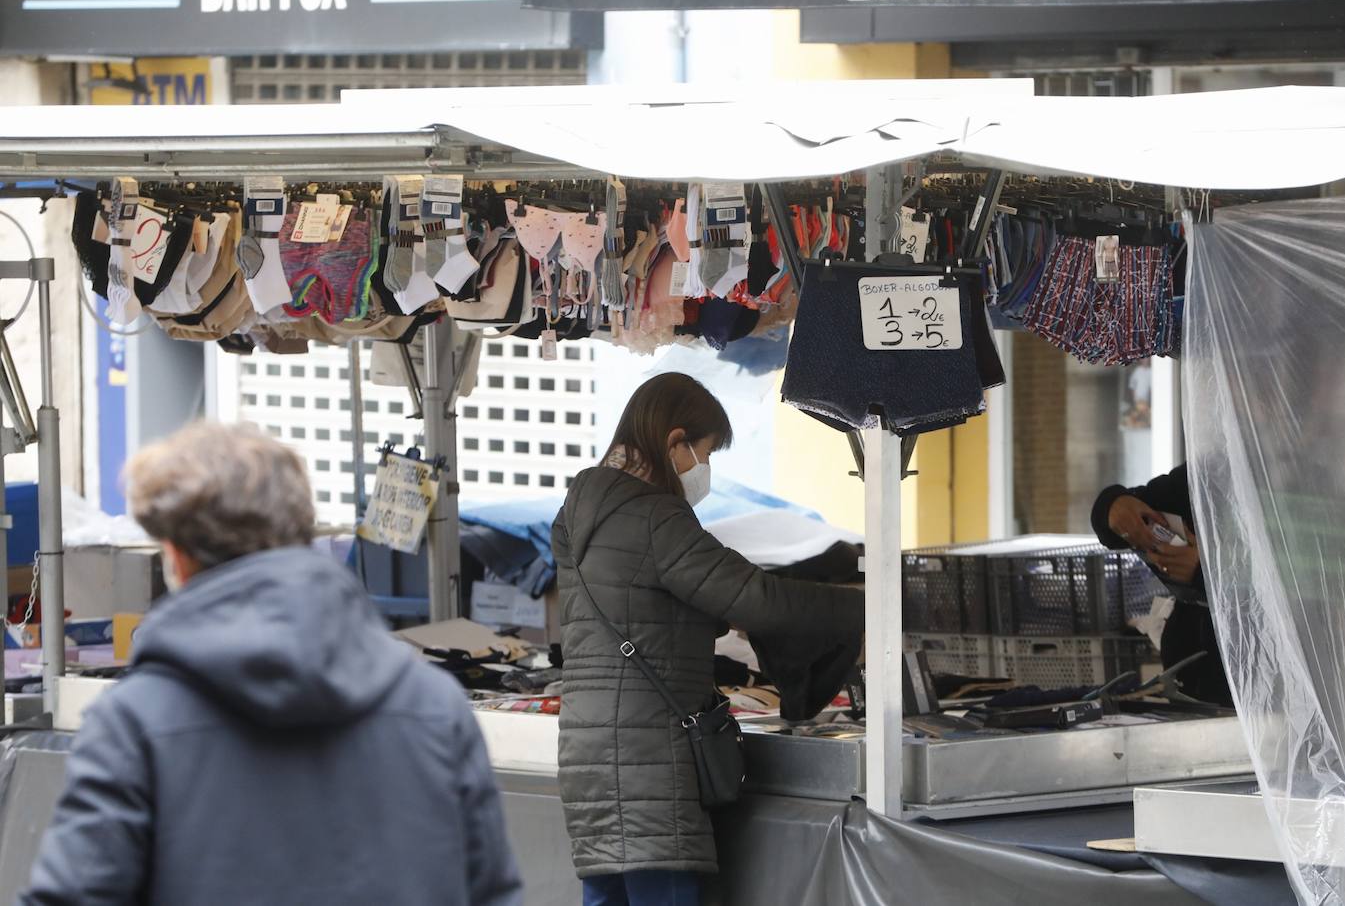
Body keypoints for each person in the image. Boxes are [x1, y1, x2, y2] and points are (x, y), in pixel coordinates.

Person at [20, 423, 522, 906]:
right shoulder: (434, 705)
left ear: (177, 557)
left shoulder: (134, 723)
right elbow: (492, 892)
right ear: (301, 534)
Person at [553, 373, 864, 906]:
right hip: (646, 751)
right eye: (704, 451)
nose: (705, 468)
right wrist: (869, 605)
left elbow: (645, 604)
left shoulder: (580, 509)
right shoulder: (653, 515)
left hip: (589, 746)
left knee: (608, 892)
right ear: (674, 442)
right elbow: (754, 598)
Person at [1091, 462, 1231, 705]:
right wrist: (1114, 505)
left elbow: (1306, 588)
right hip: (1196, 674)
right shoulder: (1215, 473)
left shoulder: (1312, 486)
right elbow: (1122, 515)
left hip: (1277, 679)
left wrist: (1206, 573)